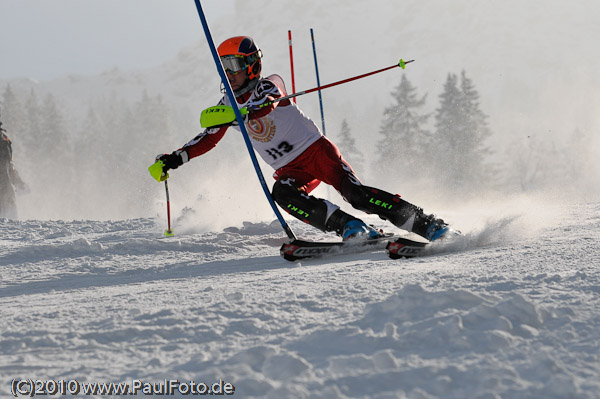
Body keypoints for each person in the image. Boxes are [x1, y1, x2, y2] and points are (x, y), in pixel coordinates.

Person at [156, 36, 450, 241]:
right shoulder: (227, 105)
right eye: (223, 67)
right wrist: (175, 158)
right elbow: (207, 138)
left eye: (233, 66)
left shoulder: (267, 85)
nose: (228, 74)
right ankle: (349, 228)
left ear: (250, 65)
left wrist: (244, 115)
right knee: (281, 193)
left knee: (356, 196)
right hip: (291, 169)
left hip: (316, 152)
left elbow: (269, 103)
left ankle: (427, 224)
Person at [0, 117, 26, 219]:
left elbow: (8, 166)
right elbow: (9, 167)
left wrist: (18, 181)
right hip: (6, 190)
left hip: (5, 190)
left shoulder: (5, 142)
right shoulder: (5, 141)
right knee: (10, 223)